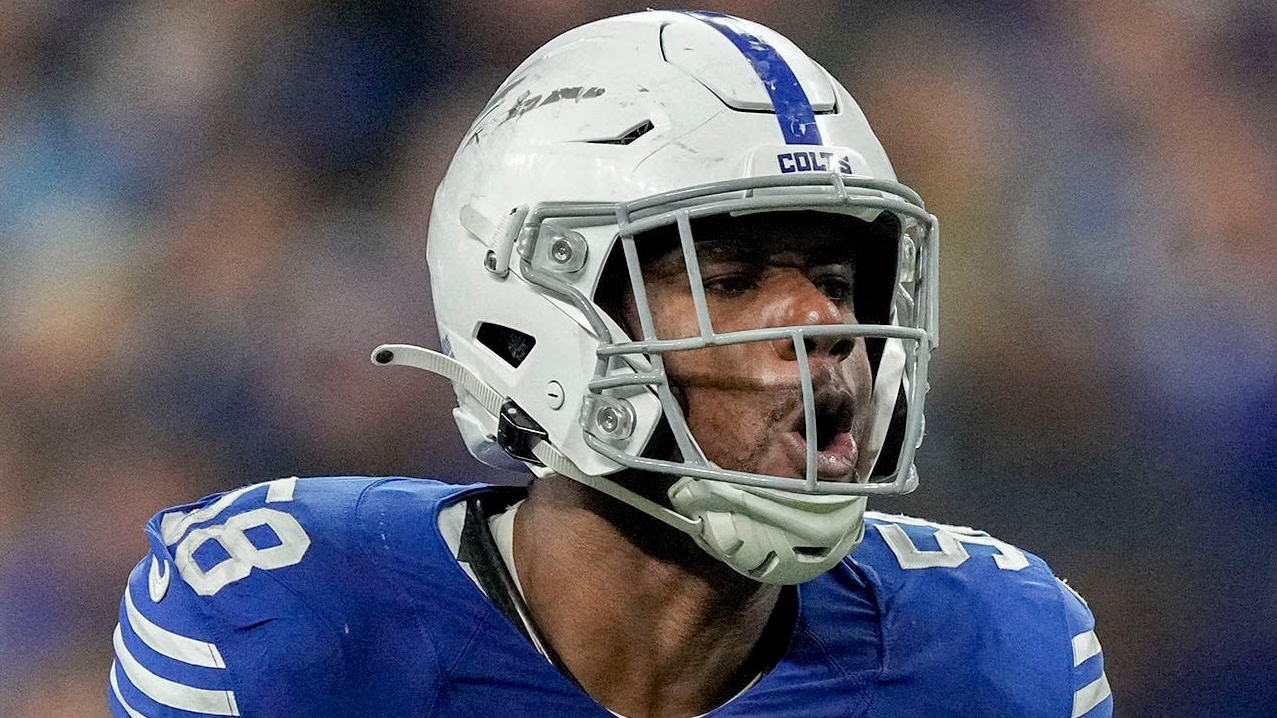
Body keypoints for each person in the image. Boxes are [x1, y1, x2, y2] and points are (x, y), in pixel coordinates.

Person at [108, 10, 1111, 717]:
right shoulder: (294, 630)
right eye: (731, 278)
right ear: (529, 320)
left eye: (837, 279)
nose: (824, 327)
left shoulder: (993, 657)